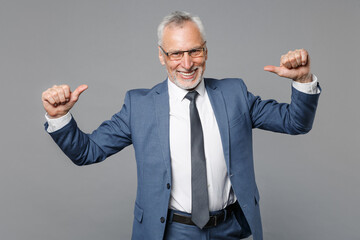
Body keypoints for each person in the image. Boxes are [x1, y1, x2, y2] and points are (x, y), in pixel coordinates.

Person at [42, 11, 320, 240]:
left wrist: (303, 80)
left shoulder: (235, 94)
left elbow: (295, 122)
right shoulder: (139, 106)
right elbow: (87, 152)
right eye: (176, 54)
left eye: (194, 51)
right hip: (170, 231)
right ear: (161, 56)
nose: (186, 63)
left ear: (206, 51)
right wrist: (59, 117)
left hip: (230, 229)